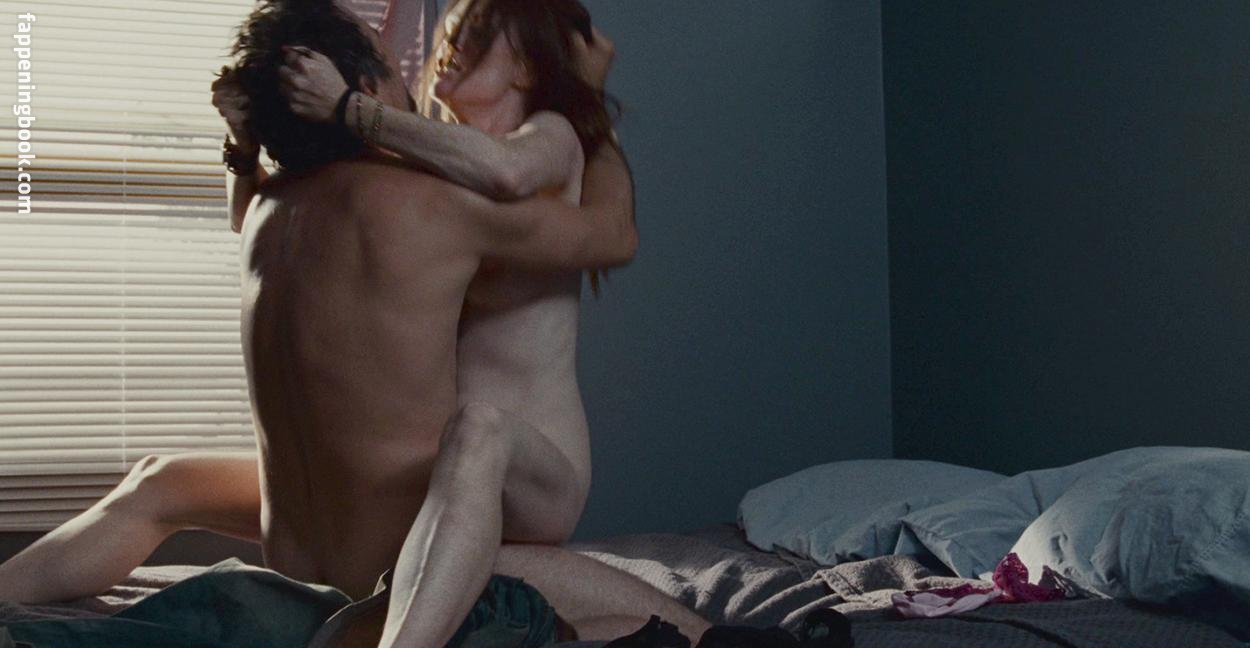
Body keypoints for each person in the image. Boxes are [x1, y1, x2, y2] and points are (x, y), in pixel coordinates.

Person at [0, 0, 713, 645]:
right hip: (404, 546)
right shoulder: (434, 206)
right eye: (390, 65)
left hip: (312, 547)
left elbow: (494, 165)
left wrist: (248, 143)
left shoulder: (269, 210)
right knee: (667, 623)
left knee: (161, 481)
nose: (420, 71)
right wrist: (586, 98)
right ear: (365, 90)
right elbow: (610, 235)